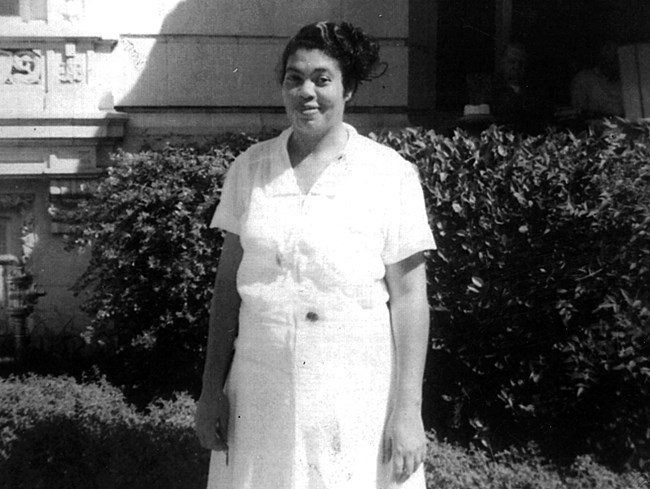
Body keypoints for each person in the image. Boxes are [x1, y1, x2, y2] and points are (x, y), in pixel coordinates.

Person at [194, 21, 436, 489]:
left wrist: (408, 410)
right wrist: (210, 392)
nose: (307, 92)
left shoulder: (389, 175)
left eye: (322, 79)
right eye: (294, 78)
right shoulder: (250, 169)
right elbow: (227, 291)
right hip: (260, 391)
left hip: (355, 394)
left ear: (349, 91)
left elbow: (409, 299)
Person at [570, 41, 624, 118]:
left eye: (616, 53)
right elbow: (577, 113)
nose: (610, 54)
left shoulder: (630, 81)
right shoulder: (583, 79)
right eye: (607, 49)